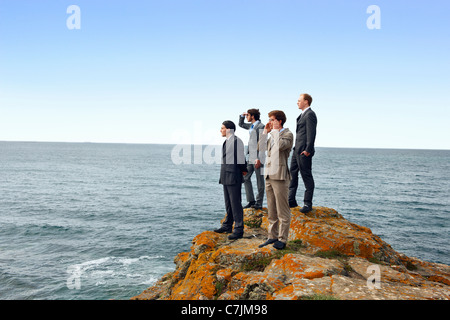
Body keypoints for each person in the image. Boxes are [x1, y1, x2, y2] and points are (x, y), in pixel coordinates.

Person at [257, 110, 293, 250]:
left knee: (282, 210)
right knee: (271, 209)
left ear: (279, 121)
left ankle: (282, 239)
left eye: (272, 120)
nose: (270, 122)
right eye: (270, 119)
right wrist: (265, 133)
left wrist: (275, 131)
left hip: (280, 175)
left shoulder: (288, 134)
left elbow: (280, 146)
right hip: (269, 174)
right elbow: (259, 147)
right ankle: (272, 236)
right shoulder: (272, 134)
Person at [214, 120, 248, 240]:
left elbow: (240, 158)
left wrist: (244, 169)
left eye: (222, 128)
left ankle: (239, 229)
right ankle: (228, 225)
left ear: (229, 129)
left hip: (233, 176)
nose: (221, 130)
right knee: (228, 203)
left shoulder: (236, 141)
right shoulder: (226, 141)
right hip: (225, 175)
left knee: (236, 203)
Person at [288, 93, 317, 213]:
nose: (297, 102)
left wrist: (308, 150)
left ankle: (307, 204)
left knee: (306, 176)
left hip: (304, 152)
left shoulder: (310, 114)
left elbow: (311, 133)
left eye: (299, 100)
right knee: (292, 175)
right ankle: (290, 201)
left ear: (306, 101)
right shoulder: (301, 115)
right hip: (297, 150)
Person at [238, 109, 266, 210]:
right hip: (250, 156)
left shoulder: (261, 126)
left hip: (258, 157)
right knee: (245, 177)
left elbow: (262, 143)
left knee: (259, 180)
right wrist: (242, 116)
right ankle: (251, 201)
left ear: (253, 116)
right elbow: (240, 125)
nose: (246, 117)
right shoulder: (251, 126)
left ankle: (259, 203)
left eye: (248, 115)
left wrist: (258, 158)